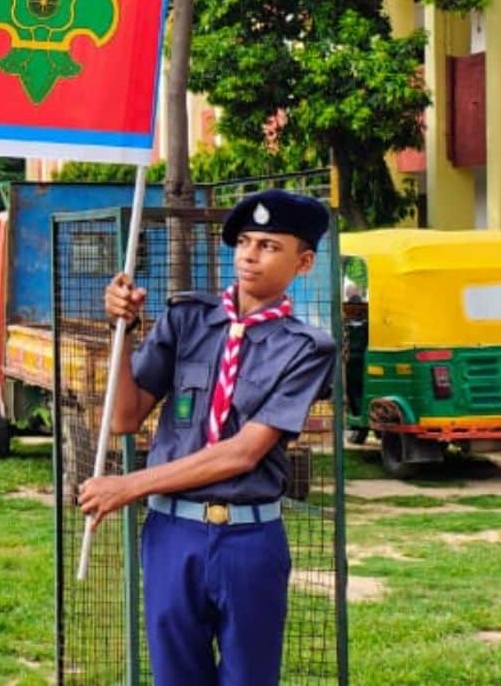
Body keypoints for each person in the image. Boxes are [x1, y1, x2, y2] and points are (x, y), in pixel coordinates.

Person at [79, 190, 336, 686]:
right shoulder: (187, 320)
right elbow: (125, 417)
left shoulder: (305, 349)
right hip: (173, 535)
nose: (248, 256)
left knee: (248, 678)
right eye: (243, 242)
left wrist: (128, 485)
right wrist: (125, 329)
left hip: (249, 538)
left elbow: (243, 452)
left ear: (303, 263)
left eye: (268, 245)